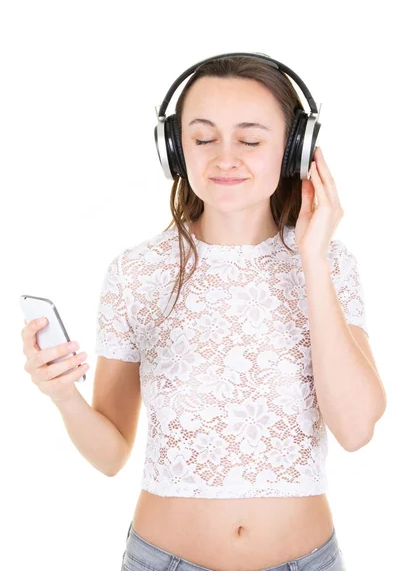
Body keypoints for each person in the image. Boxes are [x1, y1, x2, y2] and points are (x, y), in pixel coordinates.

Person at [22, 55, 385, 571]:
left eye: (251, 139)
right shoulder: (135, 273)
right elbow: (110, 455)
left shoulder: (329, 262)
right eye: (202, 137)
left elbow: (355, 430)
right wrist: (61, 395)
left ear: (294, 150)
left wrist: (312, 257)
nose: (224, 158)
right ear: (174, 149)